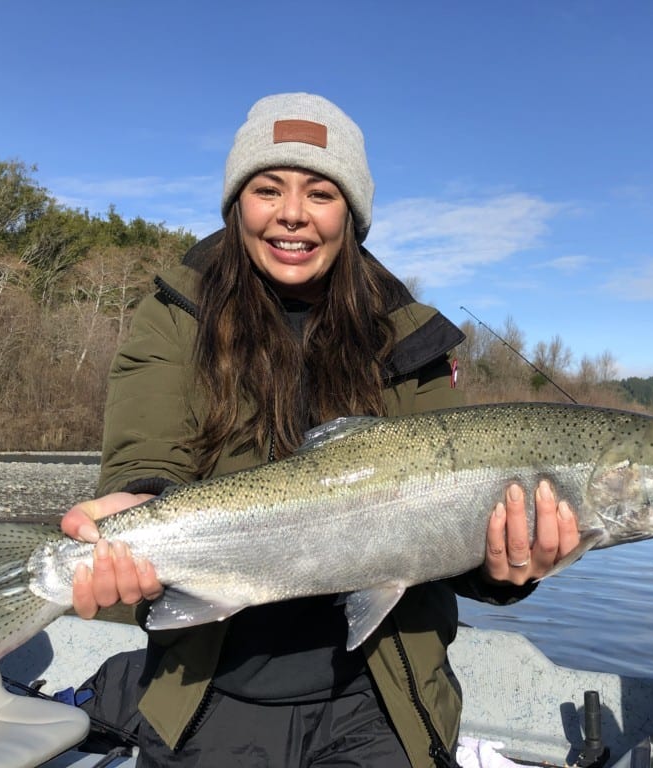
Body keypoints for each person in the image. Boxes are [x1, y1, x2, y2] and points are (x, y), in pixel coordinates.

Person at [61, 92, 580, 768]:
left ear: (352, 215)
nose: (293, 215)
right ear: (236, 205)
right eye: (268, 188)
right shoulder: (174, 317)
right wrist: (134, 504)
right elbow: (146, 457)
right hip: (207, 693)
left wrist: (509, 572)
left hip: (382, 697)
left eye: (321, 193)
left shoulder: (409, 338)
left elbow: (448, 523)